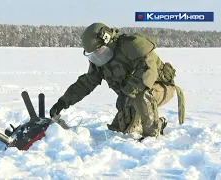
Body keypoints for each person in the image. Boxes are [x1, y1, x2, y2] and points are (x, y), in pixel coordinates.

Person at [49, 23, 185, 138]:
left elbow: (148, 72)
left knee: (142, 96)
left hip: (160, 88)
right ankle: (160, 123)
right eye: (93, 54)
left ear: (107, 40)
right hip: (131, 96)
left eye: (99, 51)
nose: (97, 56)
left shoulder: (132, 45)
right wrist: (63, 102)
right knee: (120, 131)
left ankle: (152, 137)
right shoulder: (101, 59)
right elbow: (86, 83)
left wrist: (126, 94)